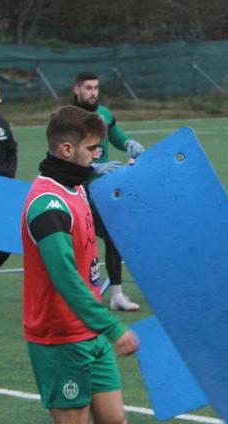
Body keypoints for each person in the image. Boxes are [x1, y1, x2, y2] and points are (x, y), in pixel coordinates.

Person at [17, 106, 140, 424]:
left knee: (113, 423)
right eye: (92, 148)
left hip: (87, 331)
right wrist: (112, 325)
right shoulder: (46, 206)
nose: (98, 155)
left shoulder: (75, 188)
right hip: (59, 338)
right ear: (67, 149)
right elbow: (66, 281)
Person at [72, 71, 146, 311]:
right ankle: (79, 293)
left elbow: (114, 135)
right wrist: (93, 166)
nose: (93, 92)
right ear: (77, 90)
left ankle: (117, 295)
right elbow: (66, 154)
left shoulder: (104, 114)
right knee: (80, 241)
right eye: (88, 88)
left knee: (115, 235)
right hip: (77, 190)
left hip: (102, 189)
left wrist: (127, 143)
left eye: (95, 88)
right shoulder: (70, 118)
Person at [0, 82, 19, 270]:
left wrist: (9, 176)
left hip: (3, 191)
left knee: (6, 244)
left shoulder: (2, 123)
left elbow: (12, 149)